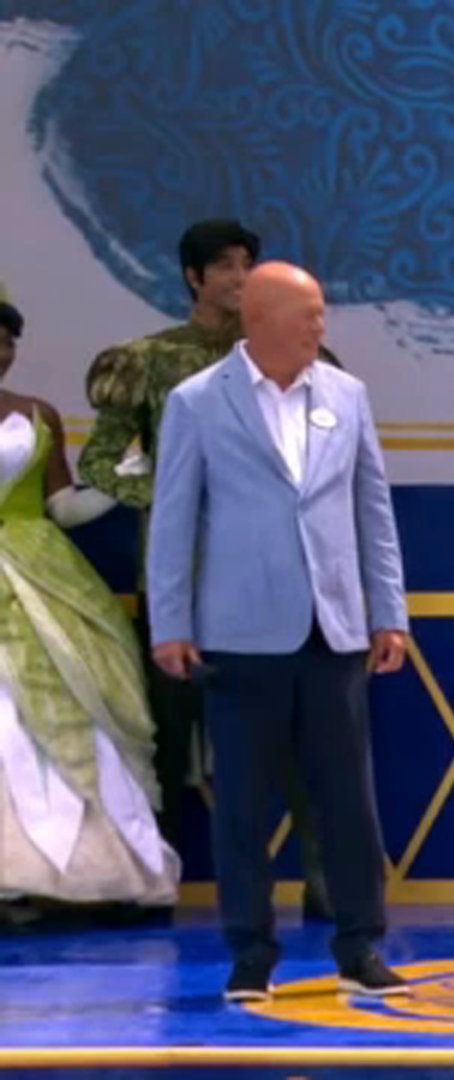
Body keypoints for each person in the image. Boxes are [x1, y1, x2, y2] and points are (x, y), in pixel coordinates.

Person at [146, 262, 409, 1002]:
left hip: (334, 630)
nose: (321, 324)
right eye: (309, 313)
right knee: (242, 806)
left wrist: (388, 611)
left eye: (322, 311)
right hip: (238, 635)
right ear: (259, 318)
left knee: (349, 800)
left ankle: (359, 946)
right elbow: (173, 519)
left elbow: (373, 510)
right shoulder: (198, 401)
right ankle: (250, 955)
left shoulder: (347, 395)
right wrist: (171, 622)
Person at [79, 219, 335, 919]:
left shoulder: (300, 358)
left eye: (248, 263)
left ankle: (325, 878)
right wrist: (174, 496)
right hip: (182, 580)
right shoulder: (149, 361)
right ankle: (159, 882)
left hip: (279, 577)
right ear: (193, 277)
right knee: (169, 739)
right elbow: (98, 461)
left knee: (302, 733)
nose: (239, 276)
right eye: (224, 265)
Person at [0, 300, 180, 921]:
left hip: (42, 576)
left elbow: (62, 509)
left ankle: (79, 877)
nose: (0, 353)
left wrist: (125, 475)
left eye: (6, 342)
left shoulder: (38, 415)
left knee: (70, 709)